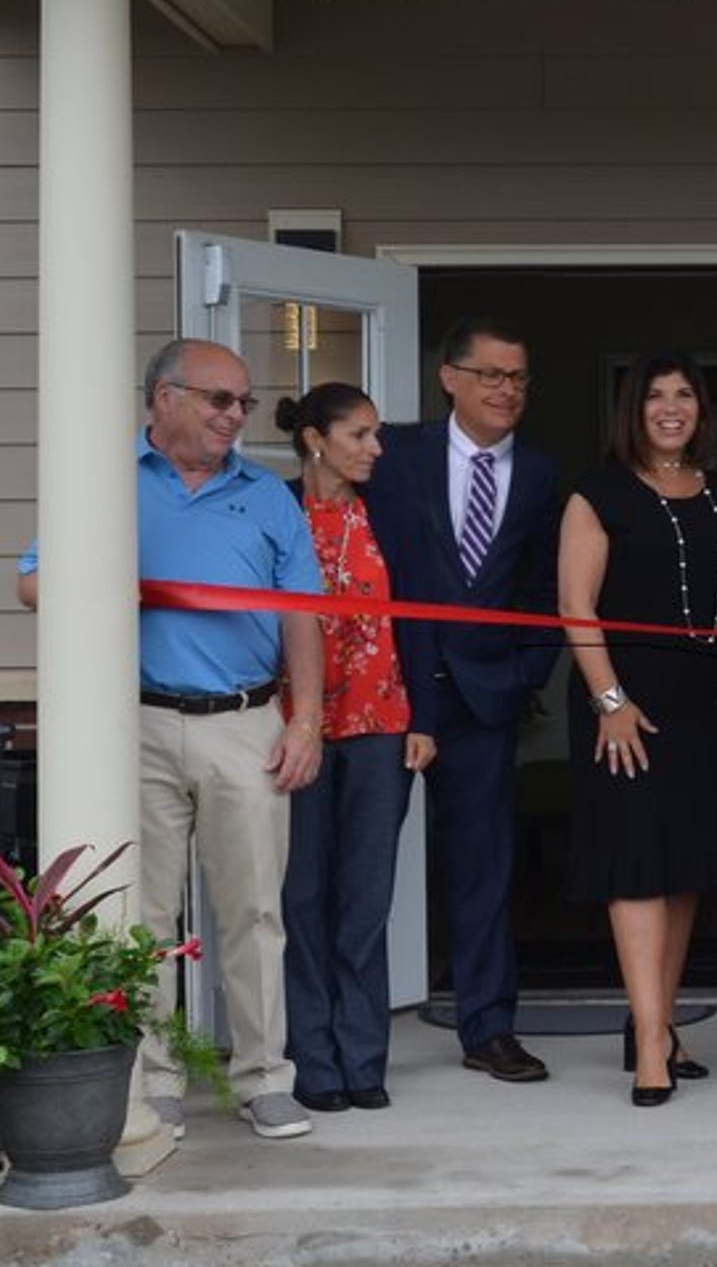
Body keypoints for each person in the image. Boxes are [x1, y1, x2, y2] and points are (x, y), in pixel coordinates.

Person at [14, 337, 325, 1142]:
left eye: (242, 403)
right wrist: (104, 584)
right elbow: (32, 584)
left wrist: (306, 718)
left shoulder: (266, 495)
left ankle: (263, 1078)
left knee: (254, 911)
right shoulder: (101, 480)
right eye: (219, 400)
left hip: (248, 723)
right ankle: (154, 1078)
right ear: (163, 399)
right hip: (138, 722)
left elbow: (303, 615)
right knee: (143, 918)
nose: (235, 417)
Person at [360, 317, 564, 1084]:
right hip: (387, 697)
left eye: (517, 378)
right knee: (364, 872)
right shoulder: (394, 454)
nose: (506, 390)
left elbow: (543, 590)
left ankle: (488, 1029)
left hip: (485, 702)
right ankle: (352, 1040)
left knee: (483, 871)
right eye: (490, 375)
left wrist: (524, 677)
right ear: (450, 377)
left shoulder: (541, 474)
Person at [557, 352, 717, 1106]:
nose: (672, 408)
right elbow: (576, 607)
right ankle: (646, 1048)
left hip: (705, 699)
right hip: (624, 706)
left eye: (685, 396)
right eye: (656, 397)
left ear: (702, 408)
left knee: (684, 869)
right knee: (636, 867)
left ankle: (661, 1024)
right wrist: (610, 701)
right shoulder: (595, 493)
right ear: (632, 410)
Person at [276, 382, 439, 1114]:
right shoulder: (274, 509)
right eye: (361, 435)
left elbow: (423, 620)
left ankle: (363, 1057)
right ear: (316, 439)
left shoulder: (393, 513)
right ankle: (313, 1059)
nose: (376, 448)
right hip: (294, 727)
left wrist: (425, 720)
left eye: (376, 435)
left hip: (382, 723)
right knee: (303, 892)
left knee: (366, 897)